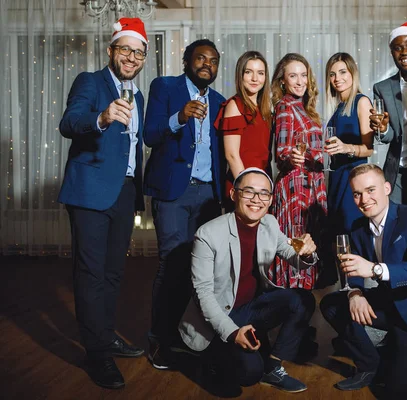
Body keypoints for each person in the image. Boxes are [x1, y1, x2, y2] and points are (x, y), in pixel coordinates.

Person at [319, 164, 407, 398]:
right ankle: (368, 365)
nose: (364, 199)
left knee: (397, 393)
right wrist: (355, 294)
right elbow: (352, 269)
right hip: (390, 303)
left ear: (387, 188)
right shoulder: (357, 228)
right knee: (331, 304)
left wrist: (375, 269)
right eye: (357, 193)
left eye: (370, 190)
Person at [57, 18, 148, 389]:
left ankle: (106, 334)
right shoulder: (90, 82)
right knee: (91, 274)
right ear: (111, 50)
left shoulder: (138, 96)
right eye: (124, 49)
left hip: (124, 193)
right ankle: (96, 354)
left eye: (138, 52)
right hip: (90, 192)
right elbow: (69, 123)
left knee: (113, 272)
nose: (131, 57)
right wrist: (102, 116)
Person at [178, 167, 317, 393]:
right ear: (234, 194)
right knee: (248, 374)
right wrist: (233, 332)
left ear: (271, 200)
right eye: (249, 192)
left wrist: (307, 253)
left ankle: (272, 367)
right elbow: (202, 295)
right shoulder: (208, 234)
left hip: (250, 308)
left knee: (302, 300)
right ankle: (209, 358)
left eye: (264, 194)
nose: (256, 200)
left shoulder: (270, 223)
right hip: (217, 318)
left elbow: (294, 256)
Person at [143, 39, 226, 369]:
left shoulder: (220, 101)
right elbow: (150, 135)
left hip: (208, 196)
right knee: (172, 265)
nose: (207, 64)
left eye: (214, 61)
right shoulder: (165, 87)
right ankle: (158, 338)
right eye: (201, 58)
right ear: (187, 61)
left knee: (198, 270)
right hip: (174, 193)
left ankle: (178, 332)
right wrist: (179, 117)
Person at [269, 53, 327, 290]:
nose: (300, 81)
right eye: (293, 76)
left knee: (309, 242)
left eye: (303, 75)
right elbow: (282, 152)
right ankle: (293, 301)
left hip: (311, 183)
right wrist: (309, 155)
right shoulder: (284, 106)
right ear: (283, 81)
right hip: (296, 186)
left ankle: (302, 308)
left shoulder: (305, 107)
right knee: (297, 243)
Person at [370, 22, 407, 205]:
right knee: (396, 229)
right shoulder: (382, 88)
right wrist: (383, 128)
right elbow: (387, 137)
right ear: (392, 53)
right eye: (397, 48)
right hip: (398, 174)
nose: (404, 52)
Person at [324, 52, 374, 236]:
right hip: (337, 177)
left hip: (353, 179)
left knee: (350, 234)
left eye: (343, 72)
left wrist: (346, 148)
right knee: (335, 236)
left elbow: (369, 148)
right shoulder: (338, 107)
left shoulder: (362, 102)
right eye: (332, 74)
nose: (337, 78)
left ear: (353, 73)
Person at [215, 51, 272, 211]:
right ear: (240, 75)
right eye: (249, 72)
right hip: (244, 189)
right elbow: (231, 155)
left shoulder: (264, 110)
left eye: (260, 73)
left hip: (261, 187)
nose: (255, 78)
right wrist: (249, 191)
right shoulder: (235, 105)